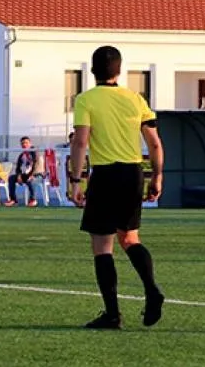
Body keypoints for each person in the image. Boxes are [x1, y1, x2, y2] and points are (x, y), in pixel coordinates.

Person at [70, 45, 165, 329]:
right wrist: (157, 176)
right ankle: (151, 289)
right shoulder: (136, 99)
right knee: (130, 238)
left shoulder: (86, 100)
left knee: (103, 246)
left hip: (106, 174)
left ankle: (112, 314)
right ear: (119, 70)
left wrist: (76, 180)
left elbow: (81, 141)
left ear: (93, 69)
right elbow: (155, 143)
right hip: (134, 173)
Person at [4, 136, 38, 207]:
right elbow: (18, 168)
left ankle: (33, 199)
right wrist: (19, 175)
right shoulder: (22, 155)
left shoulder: (34, 152)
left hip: (35, 174)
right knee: (11, 178)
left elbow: (36, 164)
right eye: (22, 143)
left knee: (30, 180)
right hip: (24, 175)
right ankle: (13, 200)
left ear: (30, 143)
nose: (24, 145)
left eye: (26, 143)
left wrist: (31, 174)